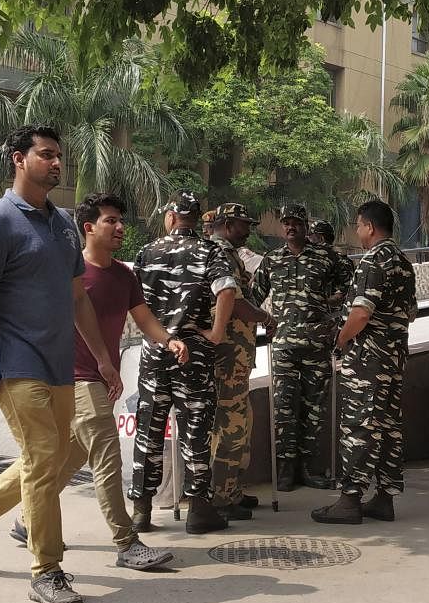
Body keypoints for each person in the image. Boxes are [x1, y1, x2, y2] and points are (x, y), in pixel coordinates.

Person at [0, 125, 120, 603]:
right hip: (16, 363)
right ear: (18, 160)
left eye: (59, 155)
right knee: (45, 459)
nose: (56, 162)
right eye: (46, 155)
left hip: (60, 364)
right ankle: (47, 570)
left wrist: (103, 358)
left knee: (51, 459)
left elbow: (77, 296)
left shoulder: (63, 222)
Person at [6, 192, 179, 570]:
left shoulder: (123, 275)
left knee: (66, 459)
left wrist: (168, 340)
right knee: (107, 456)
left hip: (102, 381)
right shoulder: (70, 272)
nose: (120, 227)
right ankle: (126, 542)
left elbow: (144, 316)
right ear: (88, 228)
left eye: (121, 221)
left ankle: (23, 520)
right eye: (110, 221)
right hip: (74, 378)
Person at [127, 190, 238, 534]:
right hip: (194, 351)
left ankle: (142, 510)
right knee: (195, 429)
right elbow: (227, 289)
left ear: (171, 217)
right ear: (193, 218)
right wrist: (217, 331)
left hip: (156, 348)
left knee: (149, 429)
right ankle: (199, 509)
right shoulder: (210, 251)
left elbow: (132, 299)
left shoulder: (148, 251)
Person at [312, 199, 416, 525]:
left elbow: (360, 313)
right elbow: (410, 311)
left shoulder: (373, 261)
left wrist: (341, 340)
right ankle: (384, 498)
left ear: (370, 227)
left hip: (368, 362)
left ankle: (350, 499)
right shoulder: (402, 262)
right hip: (393, 360)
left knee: (359, 427)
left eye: (358, 225)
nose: (356, 231)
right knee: (387, 428)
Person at [251, 204, 353, 491]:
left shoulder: (327, 257)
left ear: (307, 226)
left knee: (314, 410)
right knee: (283, 408)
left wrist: (334, 314)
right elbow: (254, 296)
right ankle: (285, 470)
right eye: (286, 223)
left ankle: (311, 469)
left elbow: (351, 288)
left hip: (317, 345)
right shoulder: (272, 260)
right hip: (283, 346)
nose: (290, 227)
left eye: (296, 222)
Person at [207, 202, 275, 519]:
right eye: (244, 224)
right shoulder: (219, 253)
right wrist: (264, 317)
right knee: (229, 427)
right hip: (226, 359)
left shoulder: (228, 254)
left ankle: (231, 489)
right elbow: (233, 301)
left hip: (236, 358)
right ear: (230, 224)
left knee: (238, 424)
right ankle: (221, 498)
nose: (248, 230)